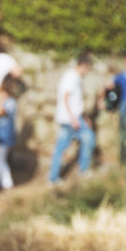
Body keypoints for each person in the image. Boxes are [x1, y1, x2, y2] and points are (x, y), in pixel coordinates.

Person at [48, 52, 94, 183]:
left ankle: (53, 177)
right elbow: (65, 98)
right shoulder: (71, 77)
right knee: (87, 139)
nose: (88, 71)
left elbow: (75, 101)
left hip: (74, 117)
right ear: (82, 65)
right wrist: (73, 118)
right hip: (70, 119)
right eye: (88, 67)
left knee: (64, 146)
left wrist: (84, 117)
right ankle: (82, 170)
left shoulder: (75, 77)